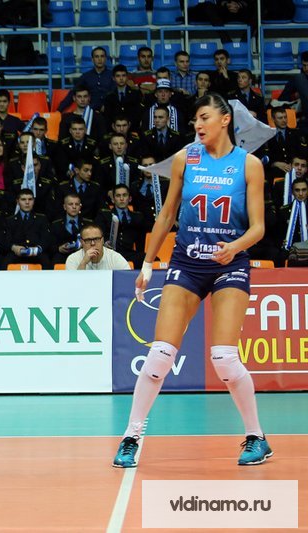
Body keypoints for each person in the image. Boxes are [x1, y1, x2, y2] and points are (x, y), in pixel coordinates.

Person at [114, 92, 271, 469]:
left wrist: (234, 247)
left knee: (224, 358)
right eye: (195, 120)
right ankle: (131, 436)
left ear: (224, 120)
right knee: (159, 354)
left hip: (229, 263)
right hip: (186, 262)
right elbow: (167, 214)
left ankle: (257, 437)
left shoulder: (249, 165)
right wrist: (147, 263)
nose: (197, 125)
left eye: (204, 118)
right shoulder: (187, 158)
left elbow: (258, 228)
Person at [0, 189, 54, 269]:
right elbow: (6, 240)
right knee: (4, 264)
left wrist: (38, 249)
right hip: (16, 253)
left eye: (30, 199)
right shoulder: (10, 220)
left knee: (47, 263)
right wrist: (14, 247)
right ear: (18, 201)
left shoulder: (42, 219)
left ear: (34, 201)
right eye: (23, 199)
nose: (27, 202)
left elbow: (46, 239)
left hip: (36, 253)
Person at [65, 223, 130, 270]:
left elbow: (127, 280)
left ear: (103, 240)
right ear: (82, 242)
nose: (93, 243)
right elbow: (73, 284)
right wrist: (83, 262)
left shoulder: (115, 258)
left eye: (96, 239)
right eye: (88, 240)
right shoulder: (72, 259)